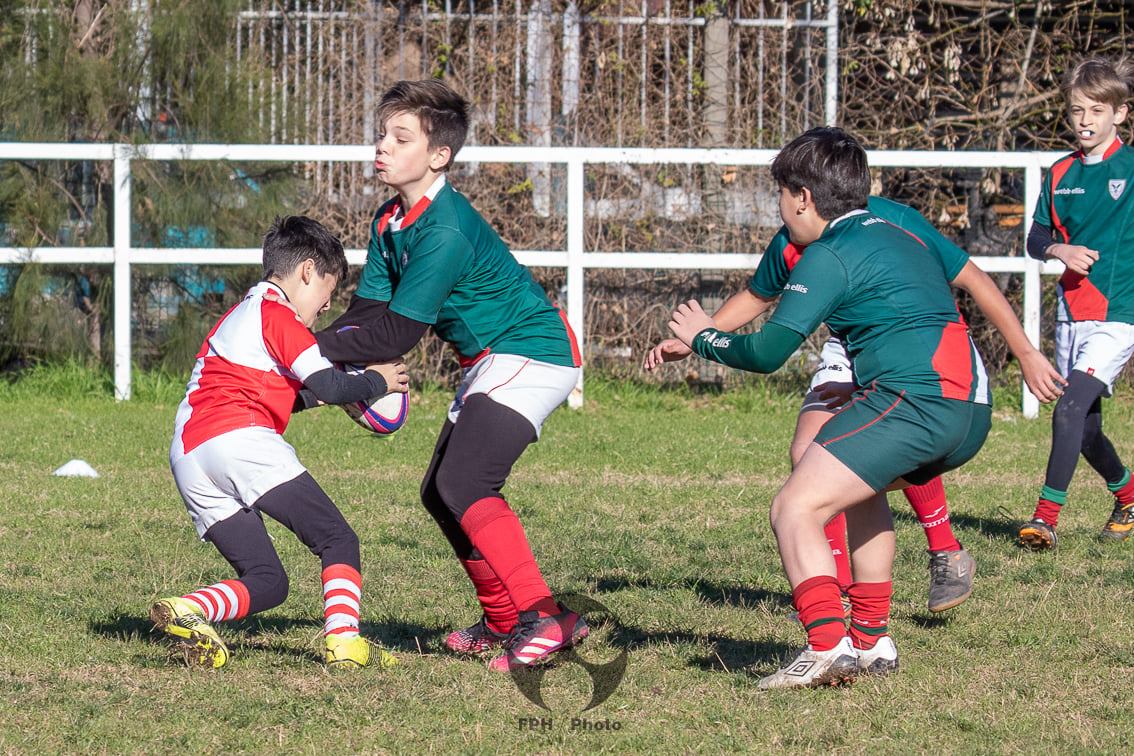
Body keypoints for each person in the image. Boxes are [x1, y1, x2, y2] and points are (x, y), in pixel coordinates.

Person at [667, 127, 1052, 689]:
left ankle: (825, 647)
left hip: (916, 403)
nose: (779, 209)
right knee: (857, 488)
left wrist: (704, 338)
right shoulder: (899, 229)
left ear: (802, 197)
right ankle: (872, 642)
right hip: (970, 406)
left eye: (780, 195)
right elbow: (961, 286)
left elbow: (769, 352)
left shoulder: (827, 255)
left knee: (795, 507)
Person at [646, 197, 1062, 612]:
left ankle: (946, 551)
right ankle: (840, 591)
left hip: (912, 340)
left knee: (883, 452)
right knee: (811, 454)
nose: (782, 202)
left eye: (786, 190)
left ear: (809, 192)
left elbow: (972, 277)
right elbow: (757, 296)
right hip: (850, 344)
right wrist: (701, 337)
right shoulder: (793, 236)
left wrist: (1025, 353)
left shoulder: (890, 218)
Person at [313, 80, 588, 672]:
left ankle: (546, 619)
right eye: (382, 133)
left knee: (466, 484)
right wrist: (312, 351)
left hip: (532, 351)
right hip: (492, 360)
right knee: (440, 493)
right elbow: (369, 313)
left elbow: (395, 337)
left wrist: (299, 351)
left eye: (399, 137)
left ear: (439, 156)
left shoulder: (444, 229)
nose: (381, 146)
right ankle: (503, 621)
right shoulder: (391, 218)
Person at [151, 216, 409, 670]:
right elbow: (329, 385)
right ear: (307, 271)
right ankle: (345, 644)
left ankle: (188, 610)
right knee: (337, 539)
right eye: (327, 294)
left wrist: (339, 395)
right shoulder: (279, 315)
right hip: (239, 439)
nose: (325, 308)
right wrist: (377, 381)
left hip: (190, 454)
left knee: (268, 581)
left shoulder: (239, 315)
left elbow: (294, 396)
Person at [1019, 56, 1134, 550]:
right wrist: (1056, 249)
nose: (1085, 120)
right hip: (1072, 313)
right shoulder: (1061, 171)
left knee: (1067, 410)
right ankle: (1129, 497)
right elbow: (1035, 236)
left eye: (1095, 110)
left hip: (1119, 315)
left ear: (1120, 114)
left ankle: (1045, 519)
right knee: (1083, 431)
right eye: (1076, 111)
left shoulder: (1131, 169)